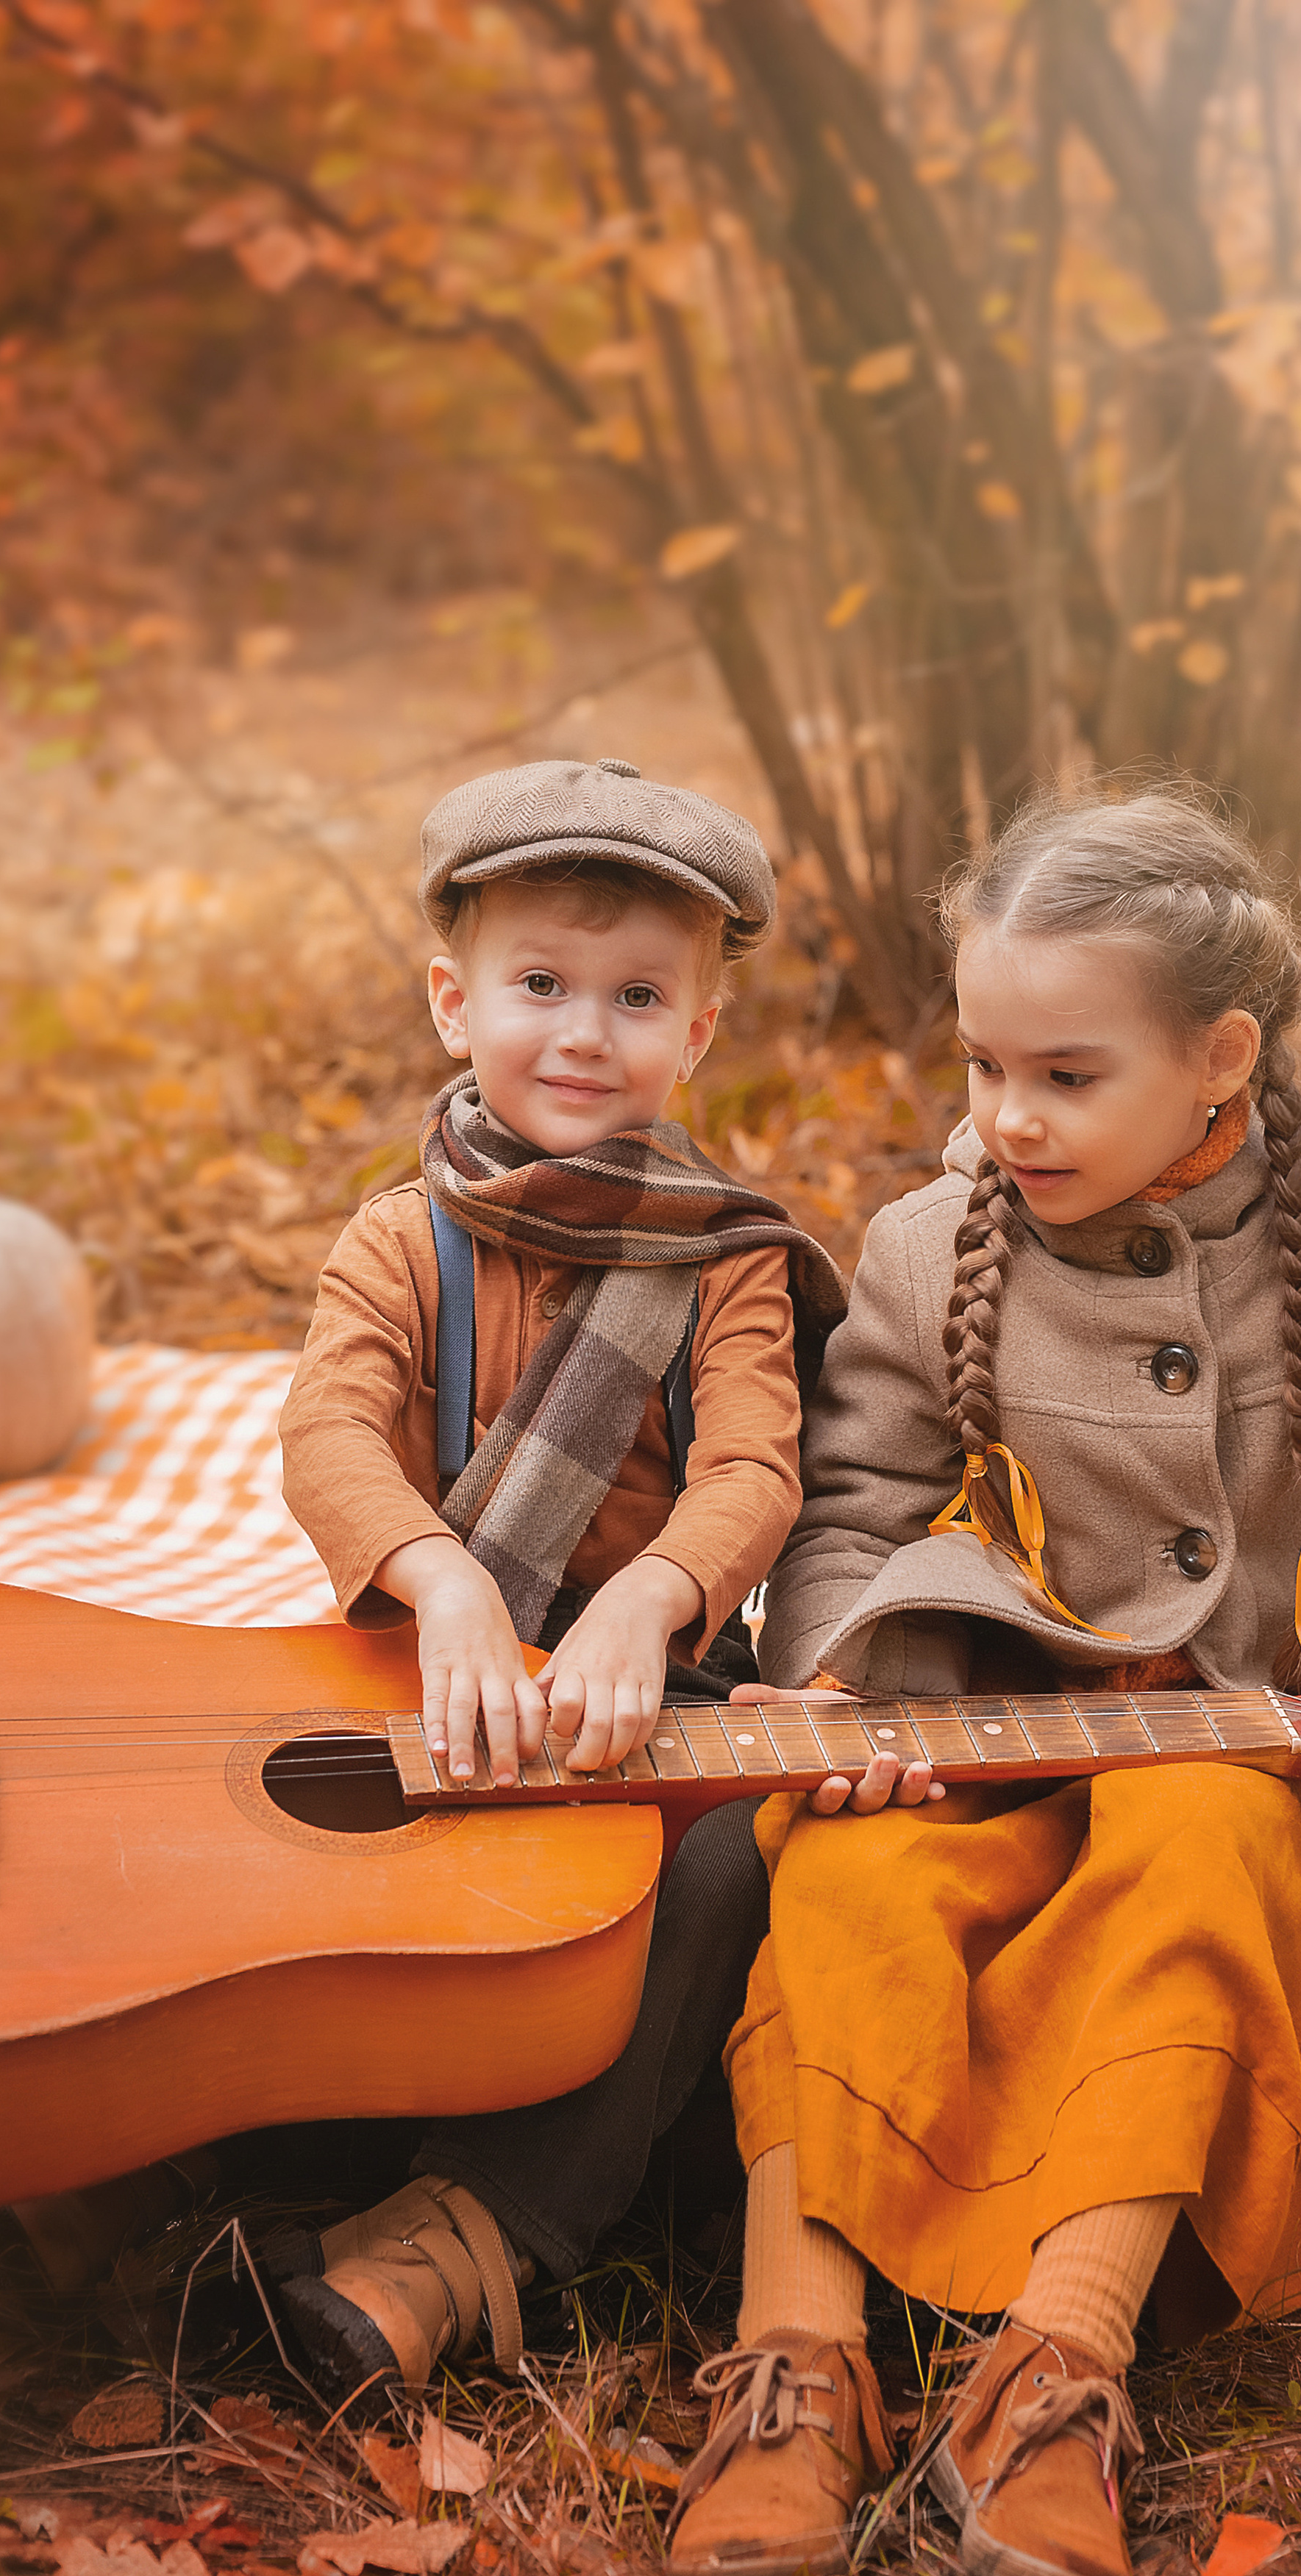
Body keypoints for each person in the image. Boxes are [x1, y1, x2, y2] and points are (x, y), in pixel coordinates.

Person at [662, 784, 1301, 2576]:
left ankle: (1054, 2371)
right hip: (1009, 1752)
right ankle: (798, 2368)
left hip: (1272, 1769)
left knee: (1200, 1834)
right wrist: (852, 1687)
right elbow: (859, 1504)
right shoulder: (922, 1245)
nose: (1008, 1118)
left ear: (1218, 1060)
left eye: (1065, 1073)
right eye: (981, 1067)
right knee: (838, 1873)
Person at [260, 755, 844, 2402]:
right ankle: (220, 2150)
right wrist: (439, 1580)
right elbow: (326, 1430)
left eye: (637, 995)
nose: (584, 1032)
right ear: (453, 1004)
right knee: (277, 1838)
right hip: (430, 1657)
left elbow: (750, 1471)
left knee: (736, 1855)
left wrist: (651, 1599)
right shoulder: (403, 1238)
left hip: (636, 1686)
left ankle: (480, 2232)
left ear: (696, 1033)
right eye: (539, 985)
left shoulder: (722, 1252)